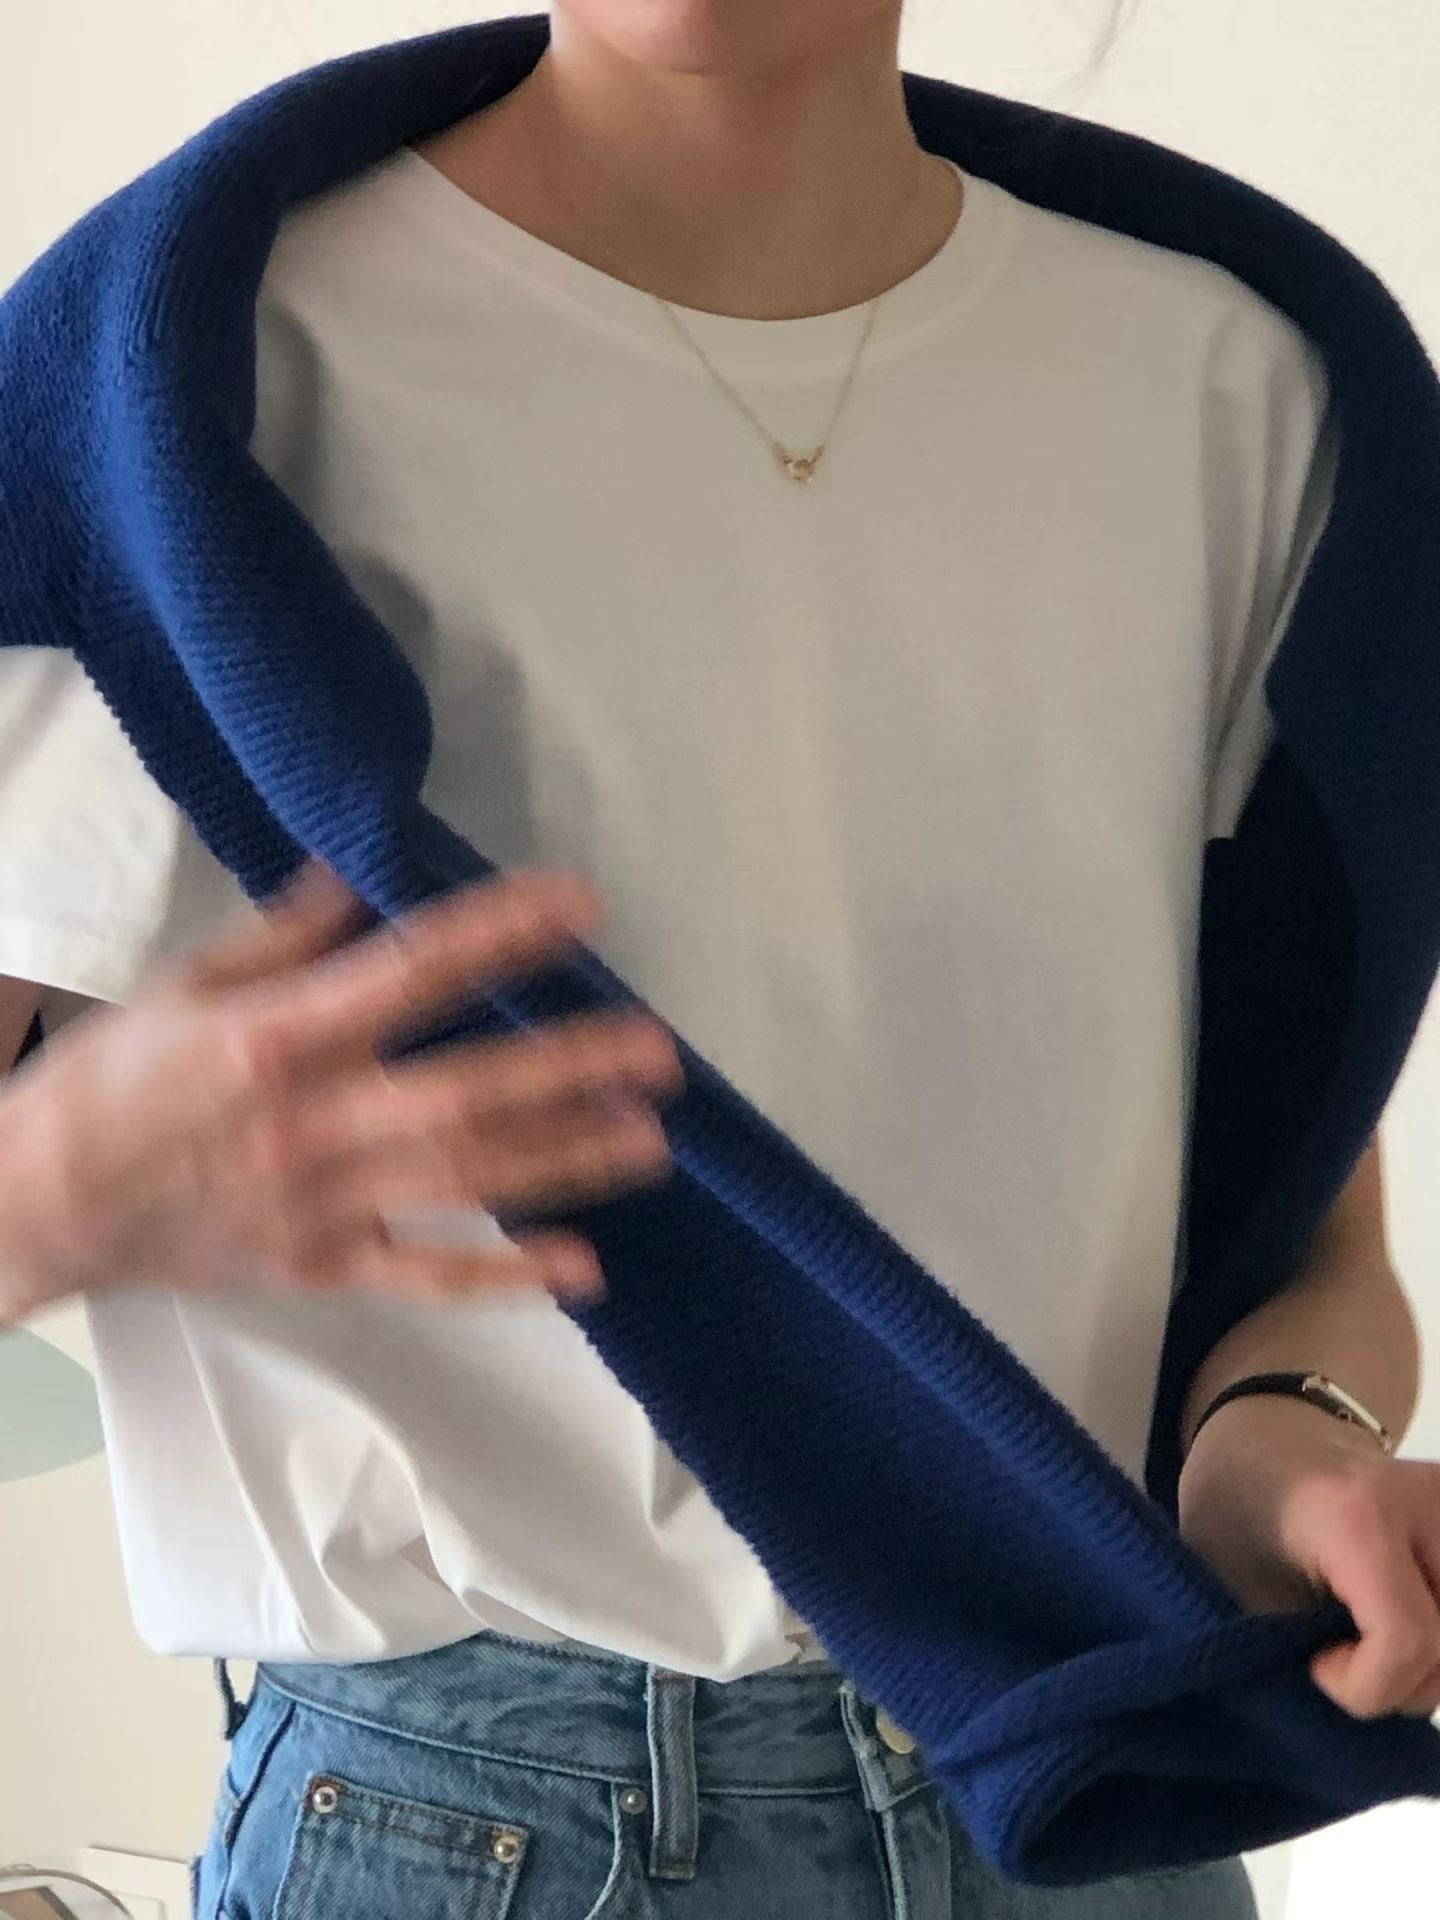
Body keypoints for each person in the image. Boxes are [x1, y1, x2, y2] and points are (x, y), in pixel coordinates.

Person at [2, 2, 1438, 1915]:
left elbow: (1307, 1237)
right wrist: (55, 1195)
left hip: (1091, 1799)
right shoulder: (155, 401)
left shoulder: (1237, 382)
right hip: (470, 1838)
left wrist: (1283, 1446)